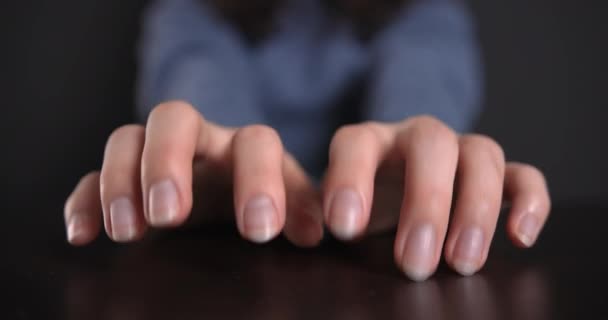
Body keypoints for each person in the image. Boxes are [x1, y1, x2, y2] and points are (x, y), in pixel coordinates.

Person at [63, 0, 551, 281]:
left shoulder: (425, 11)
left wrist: (421, 163)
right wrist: (205, 163)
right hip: (234, 272)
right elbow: (204, 100)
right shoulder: (189, 12)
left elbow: (420, 97)